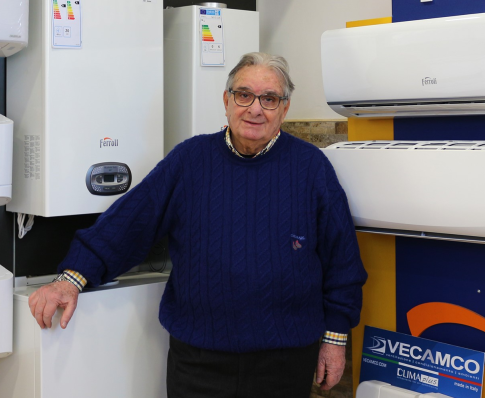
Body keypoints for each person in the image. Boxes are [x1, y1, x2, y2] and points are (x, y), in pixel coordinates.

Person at [27, 52, 368, 398]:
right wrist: (71, 279)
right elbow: (131, 222)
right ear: (227, 100)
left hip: (285, 363)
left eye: (269, 99)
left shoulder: (312, 168)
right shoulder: (189, 160)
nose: (255, 108)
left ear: (284, 108)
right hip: (199, 362)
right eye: (244, 95)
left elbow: (342, 261)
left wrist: (335, 339)